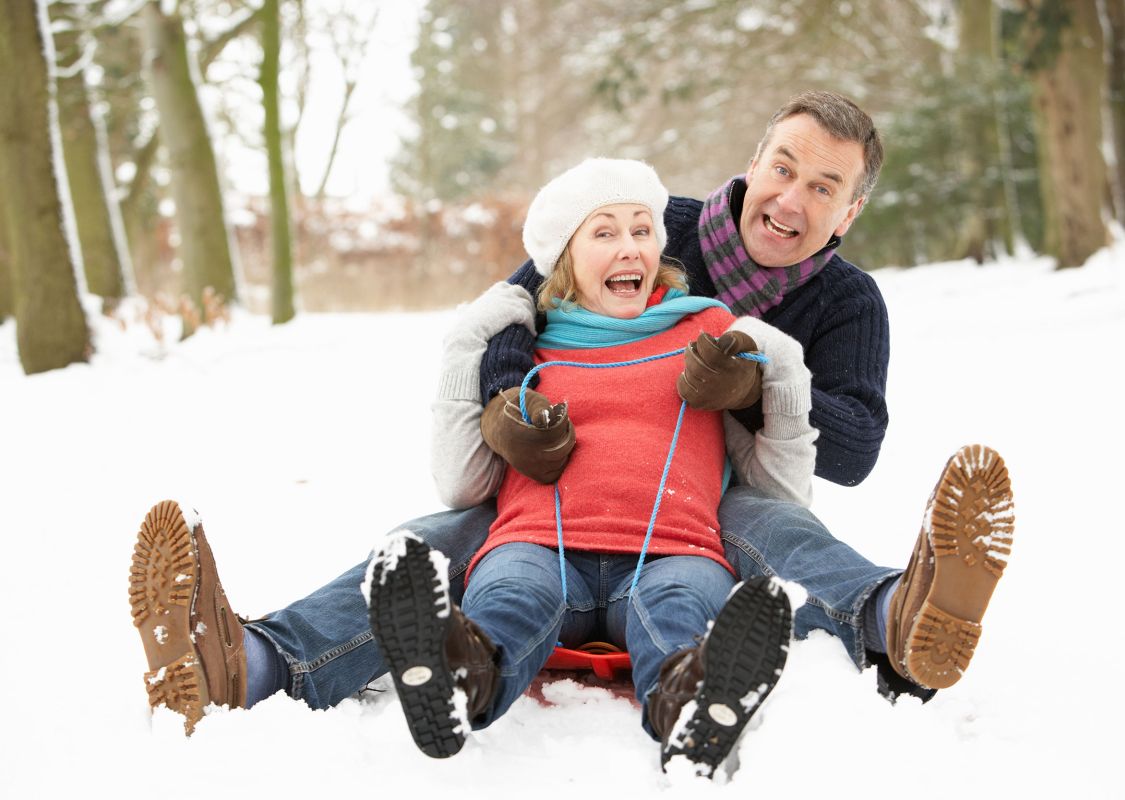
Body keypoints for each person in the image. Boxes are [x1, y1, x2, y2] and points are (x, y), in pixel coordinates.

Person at [127, 91, 1014, 735]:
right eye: (784, 167)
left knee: (766, 525)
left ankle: (888, 619)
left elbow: (852, 450)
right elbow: (522, 302)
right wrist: (515, 402)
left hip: (704, 504)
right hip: (552, 491)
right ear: (753, 164)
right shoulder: (642, 222)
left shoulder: (845, 304)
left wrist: (758, 387)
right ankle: (254, 661)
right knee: (443, 530)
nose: (792, 198)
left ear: (851, 210)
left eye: (825, 187)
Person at [365, 157, 813, 773]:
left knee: (678, 609)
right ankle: (454, 679)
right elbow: (461, 482)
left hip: (674, 548)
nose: (629, 247)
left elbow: (779, 493)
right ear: (564, 258)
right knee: (512, 595)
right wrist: (466, 341)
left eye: (641, 229)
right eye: (603, 232)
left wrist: (780, 365)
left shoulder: (707, 333)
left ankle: (691, 709)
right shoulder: (525, 347)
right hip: (538, 544)